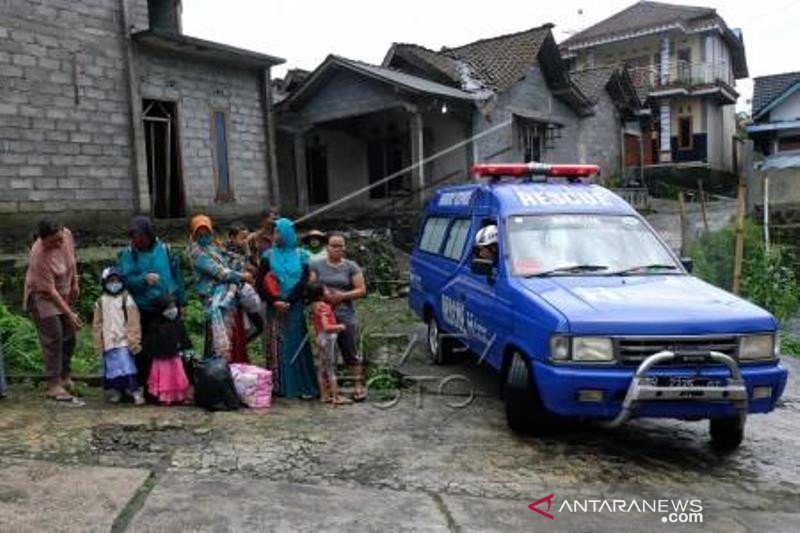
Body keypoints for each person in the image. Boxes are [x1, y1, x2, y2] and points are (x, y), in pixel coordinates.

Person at [118, 216, 187, 395]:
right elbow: (123, 279)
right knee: (143, 350)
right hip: (141, 308)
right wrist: (143, 279)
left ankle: (164, 387)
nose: (137, 241)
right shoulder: (129, 253)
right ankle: (144, 385)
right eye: (133, 237)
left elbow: (177, 276)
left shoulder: (165, 250)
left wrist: (182, 302)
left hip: (166, 307)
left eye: (140, 236)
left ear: (149, 234)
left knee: (167, 348)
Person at [23, 217, 83, 403]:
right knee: (54, 336)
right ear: (43, 239)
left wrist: (75, 282)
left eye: (60, 238)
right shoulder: (38, 254)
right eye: (54, 241)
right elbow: (49, 291)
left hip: (63, 290)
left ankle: (65, 376)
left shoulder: (66, 235)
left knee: (69, 334)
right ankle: (53, 383)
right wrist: (69, 313)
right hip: (43, 297)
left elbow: (72, 260)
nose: (59, 243)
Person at [258, 218, 319, 399]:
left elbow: (303, 282)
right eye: (274, 232)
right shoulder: (268, 256)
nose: (275, 235)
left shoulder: (302, 255)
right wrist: (275, 301)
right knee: (277, 345)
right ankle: (278, 386)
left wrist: (289, 301)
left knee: (295, 343)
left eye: (278, 232)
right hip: (274, 308)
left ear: (287, 233)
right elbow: (260, 283)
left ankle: (300, 385)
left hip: (295, 307)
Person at [309, 233, 367, 402]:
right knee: (325, 355)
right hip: (323, 314)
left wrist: (342, 296)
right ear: (327, 247)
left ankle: (357, 386)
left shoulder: (351, 266)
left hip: (345, 313)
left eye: (341, 245)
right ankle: (327, 391)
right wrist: (325, 293)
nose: (337, 249)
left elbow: (361, 290)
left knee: (351, 350)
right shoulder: (316, 265)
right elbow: (312, 287)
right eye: (334, 245)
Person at [189, 214, 253, 362]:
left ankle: (238, 367)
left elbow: (232, 260)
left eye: (206, 232)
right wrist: (242, 276)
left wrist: (245, 247)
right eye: (199, 233)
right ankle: (221, 372)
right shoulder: (197, 253)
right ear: (194, 234)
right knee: (220, 338)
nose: (204, 236)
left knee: (236, 335)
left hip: (229, 298)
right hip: (214, 301)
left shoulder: (214, 247)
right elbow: (220, 272)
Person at [91, 267, 145, 405]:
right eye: (110, 281)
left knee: (127, 366)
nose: (114, 284)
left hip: (124, 340)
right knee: (113, 369)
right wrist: (98, 343)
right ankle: (117, 392)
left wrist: (134, 339)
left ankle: (135, 392)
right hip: (109, 341)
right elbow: (97, 325)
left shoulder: (126, 298)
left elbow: (133, 320)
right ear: (104, 283)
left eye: (116, 280)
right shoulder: (100, 302)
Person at [307, 281, 351, 406]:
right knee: (331, 368)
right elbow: (326, 326)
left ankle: (324, 395)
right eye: (326, 291)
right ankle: (336, 397)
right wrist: (340, 326)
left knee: (321, 368)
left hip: (320, 338)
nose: (329, 292)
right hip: (328, 339)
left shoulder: (315, 305)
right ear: (320, 295)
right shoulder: (324, 307)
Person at [145, 295, 192, 405]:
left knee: (178, 377)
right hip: (162, 359)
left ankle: (179, 396)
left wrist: (187, 351)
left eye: (174, 307)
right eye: (168, 308)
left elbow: (185, 340)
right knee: (164, 379)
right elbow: (150, 344)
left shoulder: (178, 322)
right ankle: (164, 398)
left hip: (176, 357)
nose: (172, 311)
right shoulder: (155, 325)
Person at [224, 223, 263, 342]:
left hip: (245, 287)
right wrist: (245, 275)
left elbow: (249, 263)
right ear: (232, 237)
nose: (245, 241)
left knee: (255, 324)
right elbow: (230, 271)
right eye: (242, 238)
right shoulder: (225, 251)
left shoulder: (244, 248)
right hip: (233, 291)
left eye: (246, 238)